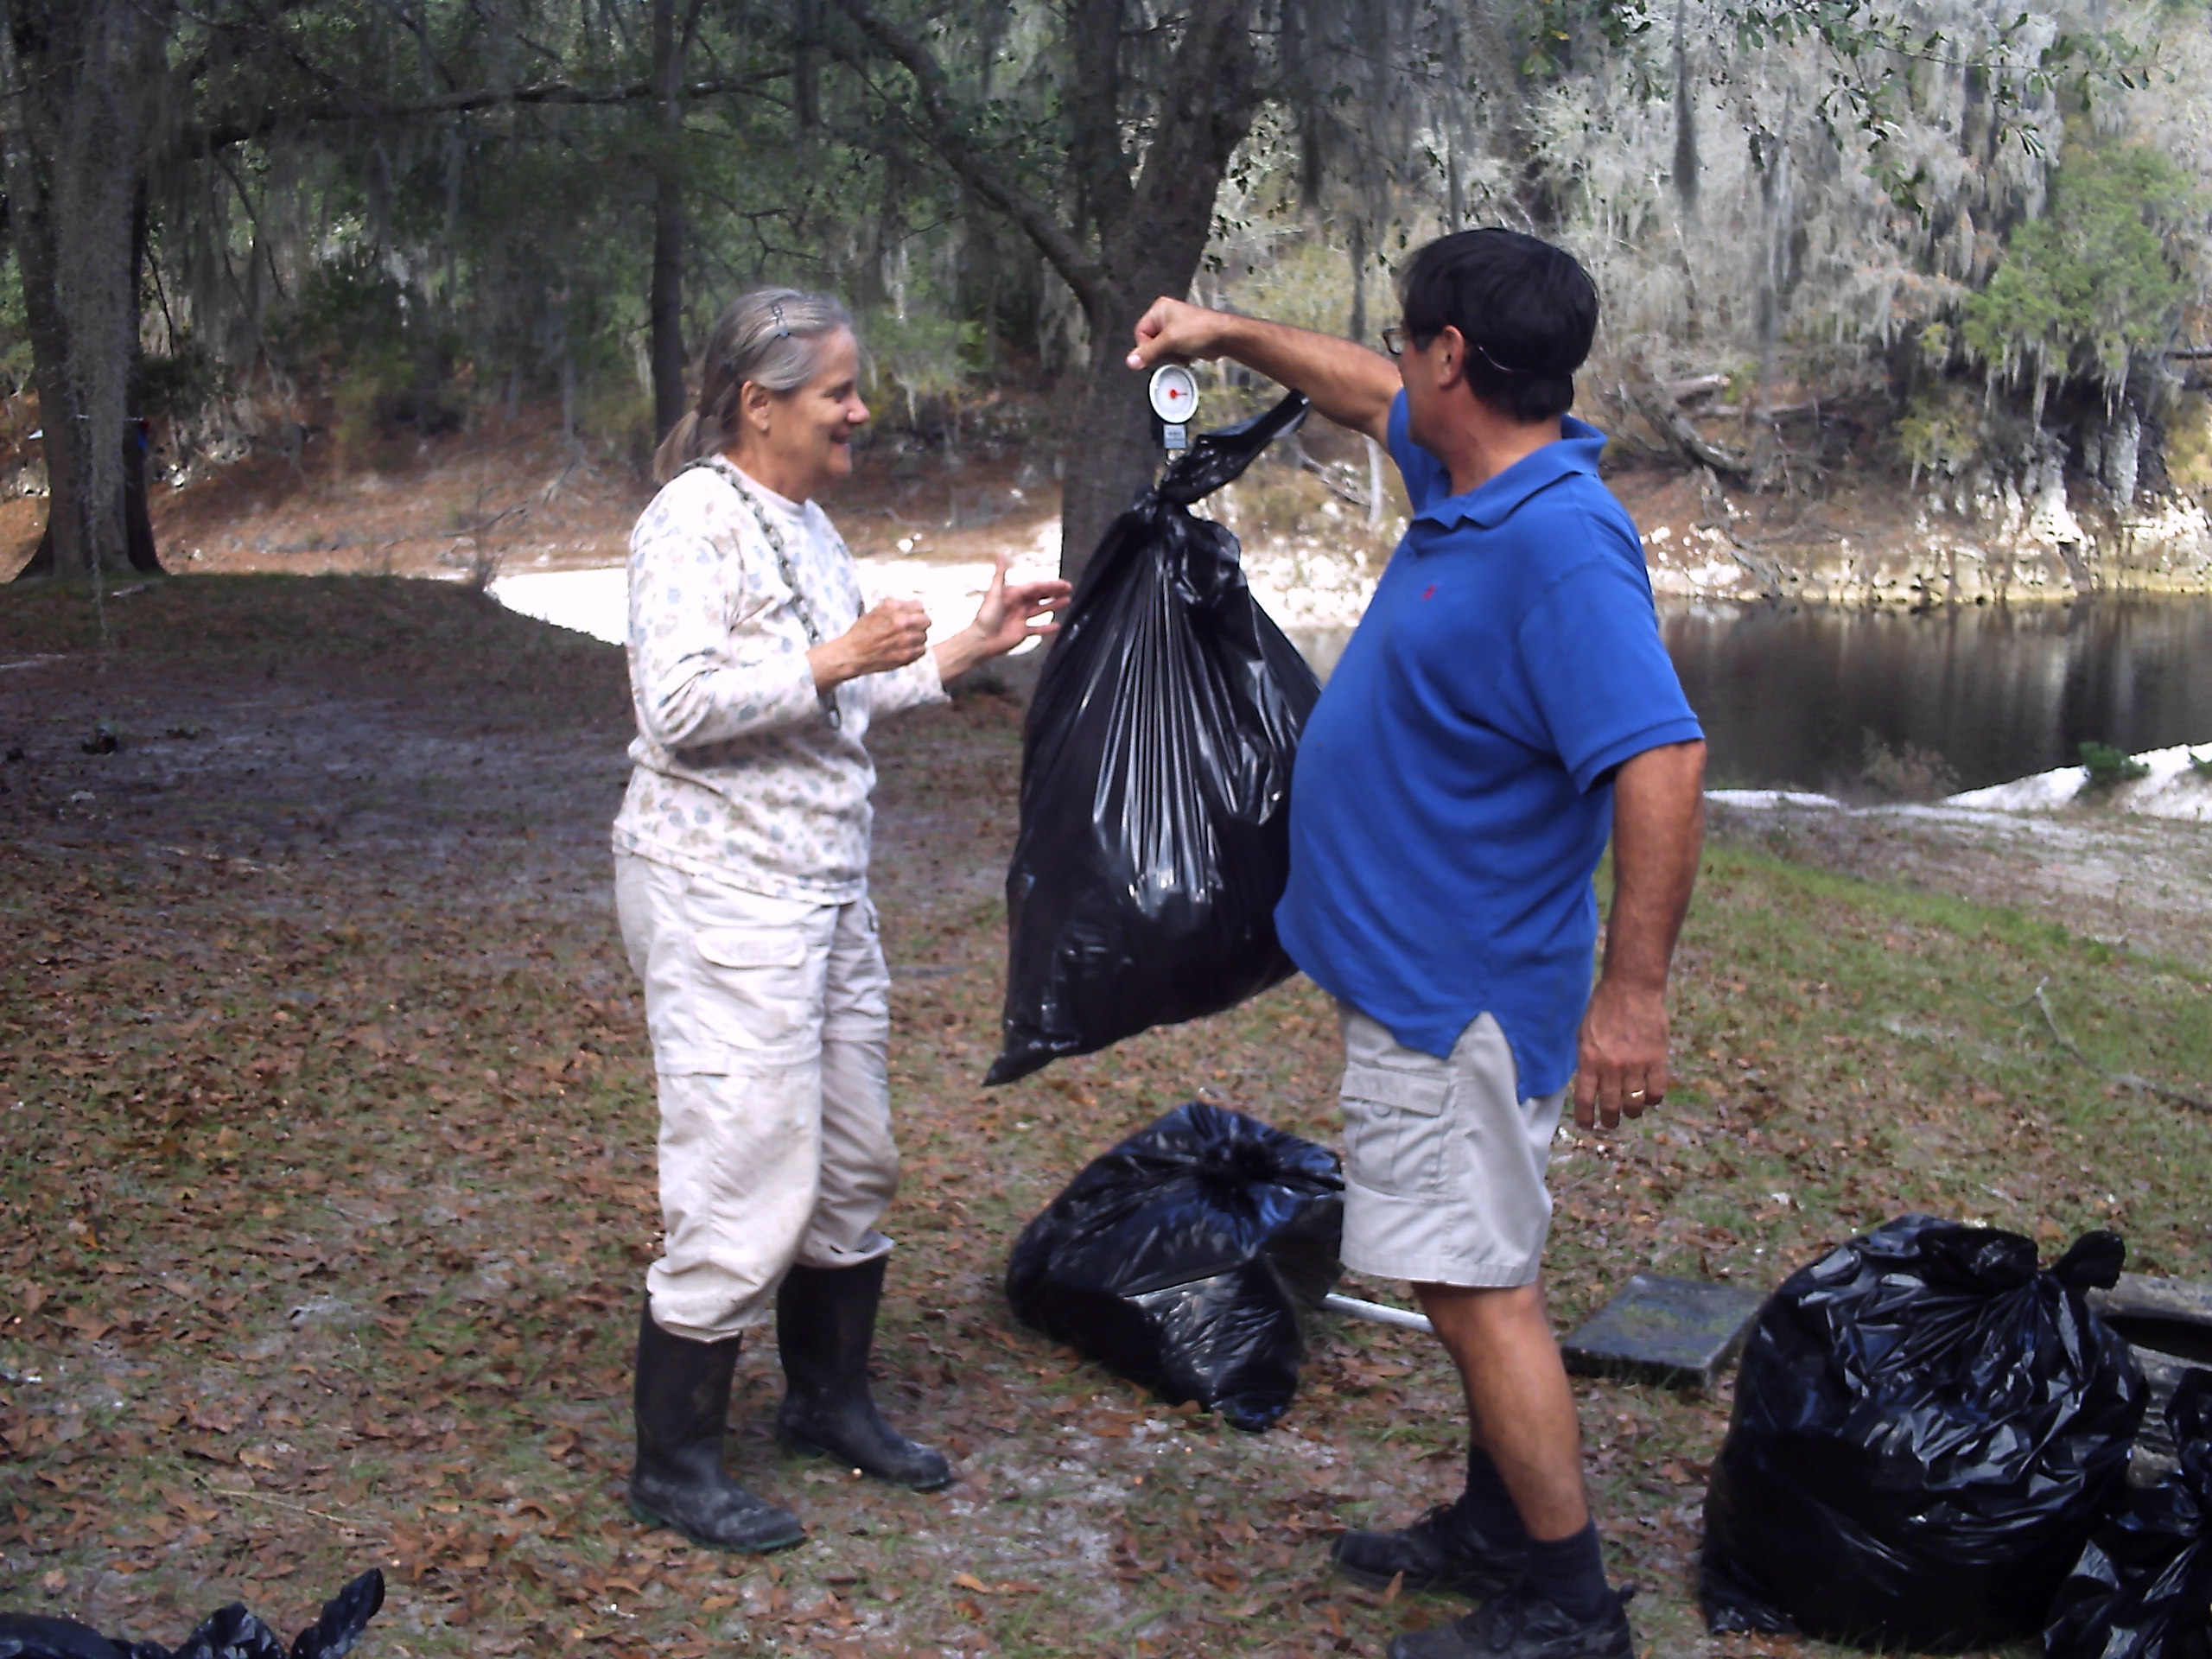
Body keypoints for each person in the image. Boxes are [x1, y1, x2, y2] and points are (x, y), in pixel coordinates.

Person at [1126, 230, 1707, 1659]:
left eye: (1407, 335)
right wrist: (1224, 333)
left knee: (1474, 1285)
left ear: (1454, 355)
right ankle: (1500, 1524)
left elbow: (1664, 762)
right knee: (1467, 1267)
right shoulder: (1472, 473)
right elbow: (1356, 395)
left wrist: (1632, 998)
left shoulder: (1564, 547)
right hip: (1412, 980)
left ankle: (1571, 1606)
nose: (1391, 355)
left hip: (1466, 1001)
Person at [614, 287, 1069, 1552]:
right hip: (722, 890)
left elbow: (846, 701)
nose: (861, 411)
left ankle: (827, 1403)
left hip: (823, 885)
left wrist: (970, 642)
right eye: (838, 394)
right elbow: (677, 710)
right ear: (760, 405)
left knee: (854, 1160)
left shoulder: (806, 524)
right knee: (743, 1169)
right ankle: (675, 1465)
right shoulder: (689, 522)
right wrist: (832, 660)